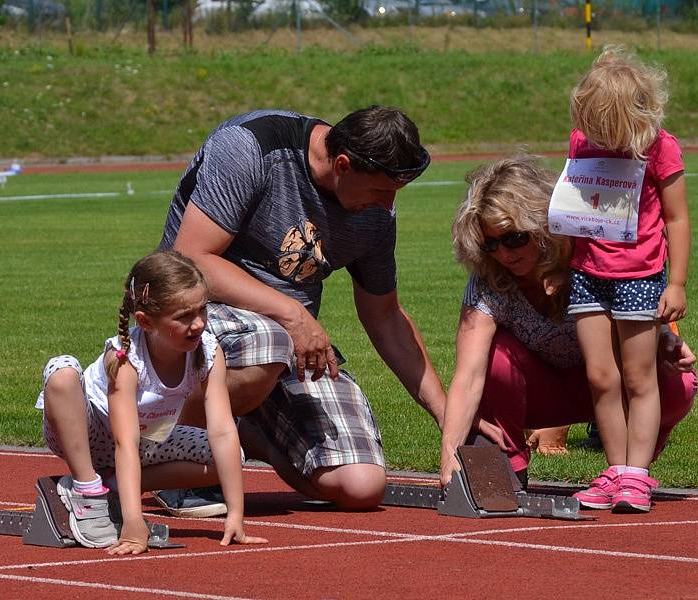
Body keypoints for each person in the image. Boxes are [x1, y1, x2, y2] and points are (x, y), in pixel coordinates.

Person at [157, 106, 446, 514]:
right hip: (190, 322)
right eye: (381, 191)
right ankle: (178, 450)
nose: (388, 205)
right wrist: (292, 315)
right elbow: (192, 259)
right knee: (268, 337)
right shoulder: (250, 148)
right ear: (342, 164)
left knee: (360, 486)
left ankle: (246, 431)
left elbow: (384, 315)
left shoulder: (377, 215)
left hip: (280, 347)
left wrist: (449, 418)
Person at [439, 154, 697, 506]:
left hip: (609, 382)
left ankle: (629, 471)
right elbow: (467, 376)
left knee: (678, 383)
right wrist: (449, 455)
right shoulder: (488, 281)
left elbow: (632, 304)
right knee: (494, 354)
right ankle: (509, 464)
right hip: (542, 393)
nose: (503, 254)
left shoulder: (589, 256)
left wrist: (664, 338)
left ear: (541, 224)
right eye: (490, 244)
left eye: (515, 238)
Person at [36, 251, 267, 553]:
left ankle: (114, 486)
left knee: (230, 454)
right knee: (62, 372)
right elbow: (124, 443)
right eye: (184, 316)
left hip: (148, 440)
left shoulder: (209, 352)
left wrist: (236, 515)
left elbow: (222, 431)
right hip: (88, 433)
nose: (198, 324)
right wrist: (134, 523)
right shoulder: (124, 359)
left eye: (202, 310)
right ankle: (86, 489)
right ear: (145, 322)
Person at [562, 47, 691, 513]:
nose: (596, 135)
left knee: (639, 376)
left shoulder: (660, 146)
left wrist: (675, 284)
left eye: (603, 124)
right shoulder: (581, 142)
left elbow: (677, 219)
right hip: (587, 273)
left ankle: (637, 474)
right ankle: (614, 470)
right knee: (600, 375)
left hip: (639, 274)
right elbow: (574, 206)